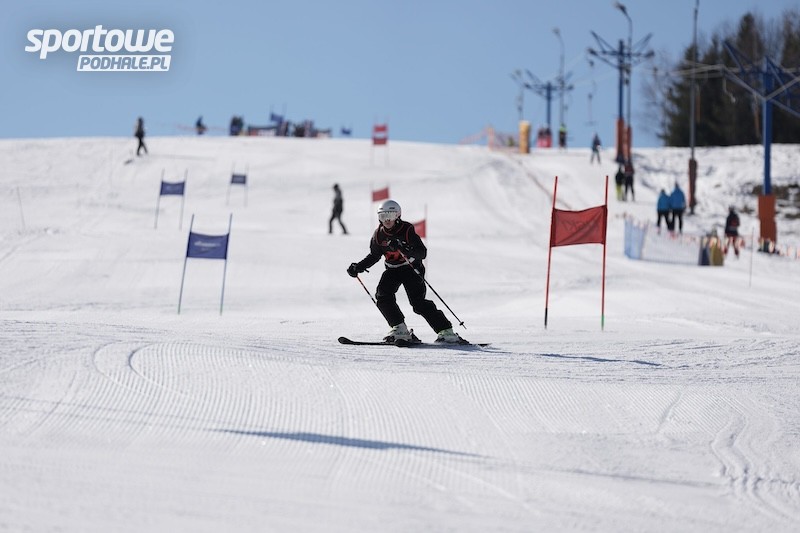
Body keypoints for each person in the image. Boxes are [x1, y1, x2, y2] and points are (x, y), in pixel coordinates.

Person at [347, 199, 464, 344]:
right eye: (383, 216)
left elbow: (422, 253)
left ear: (398, 216)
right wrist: (358, 267)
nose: (387, 220)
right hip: (392, 269)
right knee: (382, 296)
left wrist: (403, 247)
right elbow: (374, 255)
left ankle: (446, 332)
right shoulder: (379, 234)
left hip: (411, 268)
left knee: (418, 303)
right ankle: (399, 328)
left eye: (390, 215)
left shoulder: (406, 230)